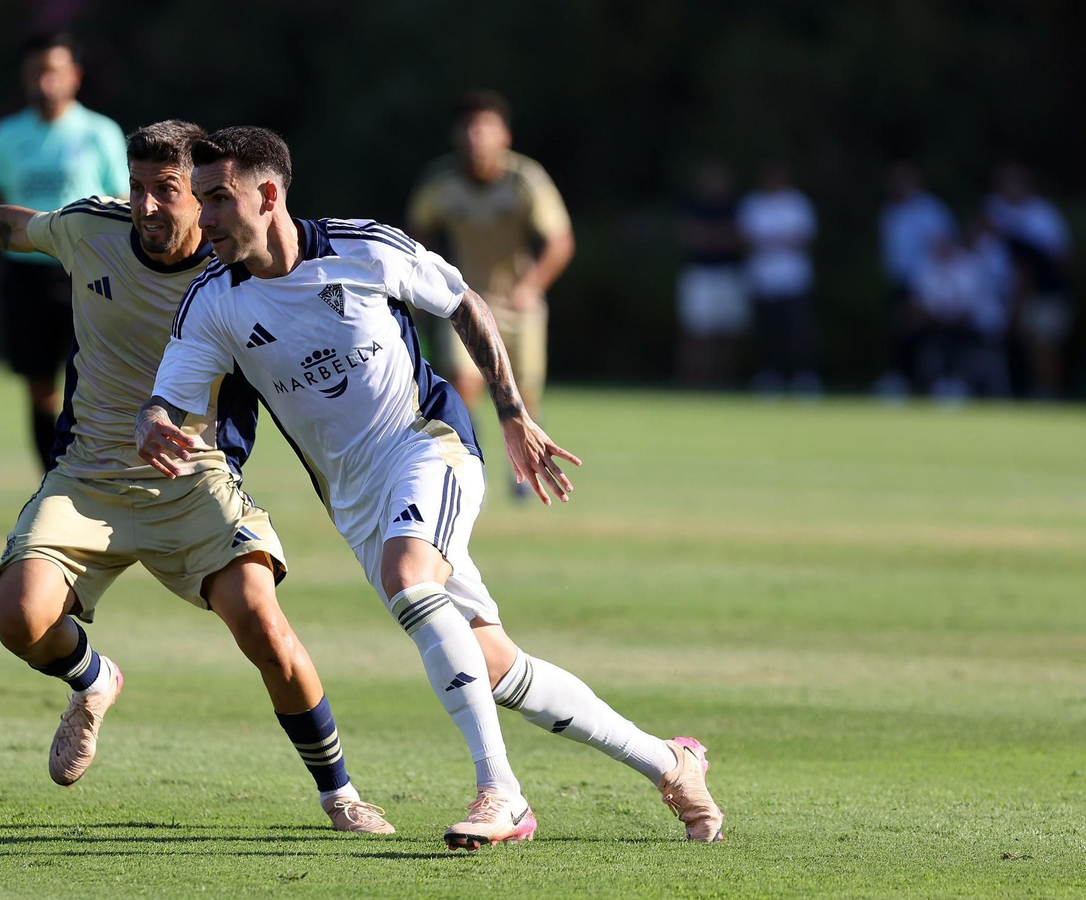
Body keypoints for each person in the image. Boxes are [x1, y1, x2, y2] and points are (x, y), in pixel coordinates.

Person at [137, 127, 724, 850]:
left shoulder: (362, 248)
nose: (207, 218)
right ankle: (672, 764)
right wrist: (154, 422)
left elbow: (465, 304)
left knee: (411, 578)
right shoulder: (213, 300)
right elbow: (171, 395)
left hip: (429, 444)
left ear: (269, 194)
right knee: (494, 663)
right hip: (354, 501)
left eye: (218, 199)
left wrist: (511, 412)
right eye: (201, 201)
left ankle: (501, 794)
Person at [0, 121, 392, 834]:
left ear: (203, 197)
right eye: (137, 187)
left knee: (264, 627)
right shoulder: (90, 229)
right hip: (89, 475)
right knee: (17, 618)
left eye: (165, 191)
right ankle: (93, 681)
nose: (144, 206)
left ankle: (341, 796)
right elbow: (10, 224)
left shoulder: (234, 264)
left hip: (195, 479)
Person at [0, 33, 130, 468]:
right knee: (39, 387)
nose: (44, 81)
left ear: (74, 76)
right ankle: (52, 477)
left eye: (53, 71)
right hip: (26, 275)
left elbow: (126, 208)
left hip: (88, 273)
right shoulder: (5, 136)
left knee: (96, 380)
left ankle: (99, 472)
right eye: (36, 72)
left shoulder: (100, 133)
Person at [407, 91, 573, 497]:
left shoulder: (524, 180)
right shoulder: (441, 183)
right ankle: (468, 462)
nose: (475, 136)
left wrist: (530, 287)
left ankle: (524, 471)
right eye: (468, 127)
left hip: (520, 304)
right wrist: (427, 286)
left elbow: (560, 240)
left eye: (484, 127)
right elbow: (415, 235)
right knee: (464, 385)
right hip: (464, 301)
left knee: (524, 395)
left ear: (505, 136)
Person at [985, 163, 1073, 399]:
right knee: (1022, 344)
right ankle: (1027, 390)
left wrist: (1036, 280)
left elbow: (1061, 256)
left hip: (1044, 292)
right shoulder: (995, 210)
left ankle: (1049, 391)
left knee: (1046, 342)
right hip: (1007, 292)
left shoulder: (1044, 214)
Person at [737, 162, 820, 395]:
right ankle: (769, 376)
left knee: (798, 332)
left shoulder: (798, 203)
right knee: (767, 332)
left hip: (794, 281)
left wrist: (770, 242)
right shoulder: (753, 204)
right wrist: (780, 241)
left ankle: (803, 377)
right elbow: (746, 240)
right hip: (763, 281)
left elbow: (804, 240)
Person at [878, 163, 956, 396]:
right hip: (898, 281)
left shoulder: (932, 210)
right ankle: (900, 378)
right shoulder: (891, 212)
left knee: (927, 332)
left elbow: (944, 244)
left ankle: (938, 379)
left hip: (926, 282)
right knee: (899, 331)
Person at [675, 159, 749, 388]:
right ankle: (694, 385)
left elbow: (742, 239)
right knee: (697, 334)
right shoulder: (692, 205)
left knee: (729, 334)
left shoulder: (736, 206)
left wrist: (711, 237)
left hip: (729, 274)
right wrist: (721, 237)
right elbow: (691, 237)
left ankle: (724, 386)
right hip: (700, 275)